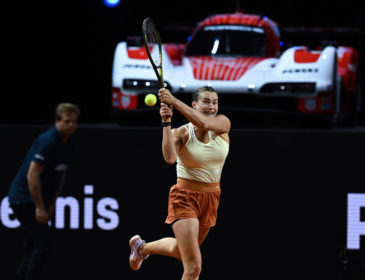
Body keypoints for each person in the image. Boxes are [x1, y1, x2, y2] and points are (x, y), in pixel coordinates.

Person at [129, 86, 230, 280]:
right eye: (206, 101)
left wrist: (173, 100)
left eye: (214, 102)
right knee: (193, 267)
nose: (211, 106)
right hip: (185, 197)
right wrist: (166, 123)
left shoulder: (222, 123)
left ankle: (142, 248)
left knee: (180, 250)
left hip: (211, 198)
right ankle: (142, 249)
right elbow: (169, 158)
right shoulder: (182, 133)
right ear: (194, 104)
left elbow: (204, 123)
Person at [7, 103, 80, 280]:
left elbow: (60, 176)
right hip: (23, 200)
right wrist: (40, 208)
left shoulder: (66, 142)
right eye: (66, 121)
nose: (71, 125)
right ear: (57, 121)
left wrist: (51, 205)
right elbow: (32, 175)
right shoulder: (48, 141)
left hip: (40, 202)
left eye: (74, 122)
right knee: (43, 244)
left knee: (31, 246)